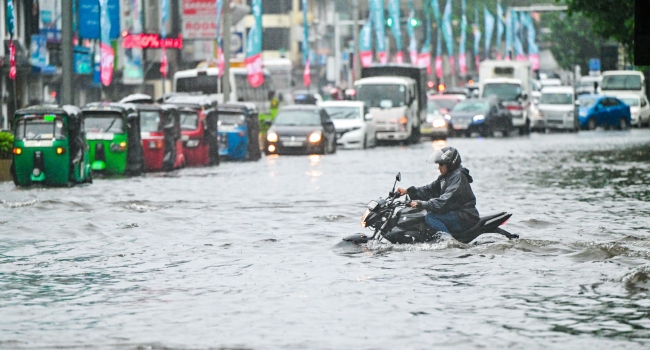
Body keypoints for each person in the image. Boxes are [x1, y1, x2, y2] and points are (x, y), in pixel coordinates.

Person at [396, 147, 479, 234]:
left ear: (450, 164)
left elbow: (444, 200)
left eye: (441, 165)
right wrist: (408, 191)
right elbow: (429, 190)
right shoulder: (446, 177)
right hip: (454, 212)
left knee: (431, 217)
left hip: (465, 217)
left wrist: (421, 203)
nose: (439, 168)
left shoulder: (458, 177)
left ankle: (447, 242)